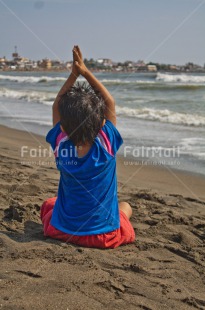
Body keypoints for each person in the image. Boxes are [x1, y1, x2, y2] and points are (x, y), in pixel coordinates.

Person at [40, 46, 135, 248]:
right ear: (102, 124)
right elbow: (109, 101)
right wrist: (84, 71)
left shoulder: (61, 145)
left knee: (50, 204)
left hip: (61, 231)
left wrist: (73, 75)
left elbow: (56, 105)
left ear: (63, 126)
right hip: (104, 236)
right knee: (125, 207)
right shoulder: (106, 146)